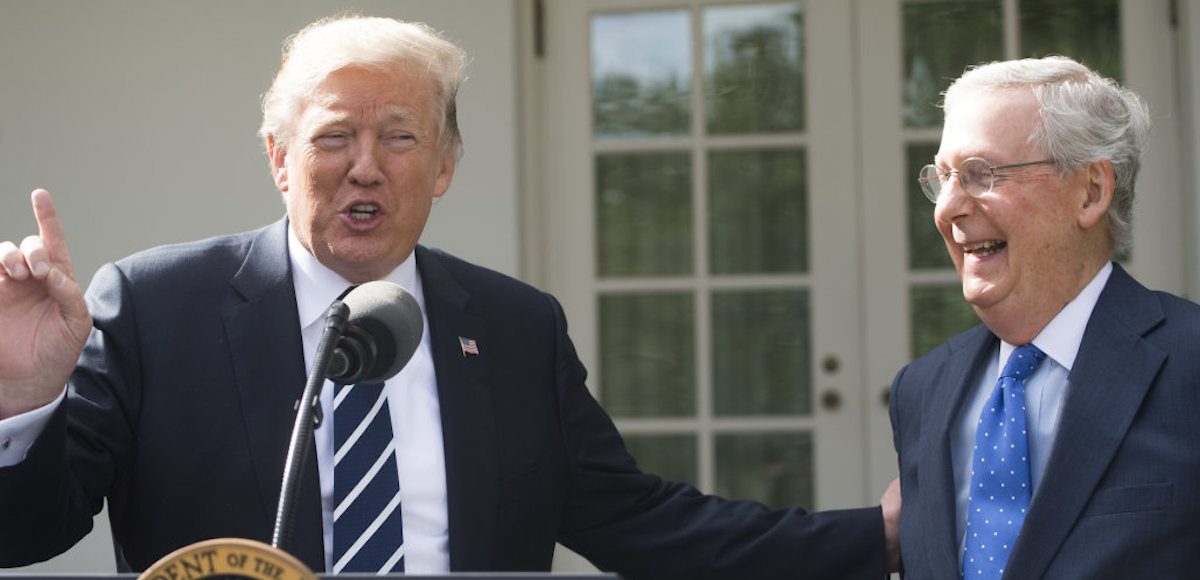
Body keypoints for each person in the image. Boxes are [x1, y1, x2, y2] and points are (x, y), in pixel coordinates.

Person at [0, 16, 899, 578]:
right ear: (278, 158)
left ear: (445, 166)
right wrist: (24, 401)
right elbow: (28, 535)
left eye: (400, 136)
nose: (365, 165)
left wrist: (879, 538)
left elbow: (638, 524)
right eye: (333, 137)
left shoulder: (513, 327)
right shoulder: (158, 307)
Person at [889, 55, 1200, 579]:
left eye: (979, 174)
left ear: (1090, 192)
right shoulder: (921, 389)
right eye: (942, 178)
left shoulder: (1189, 364)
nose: (947, 208)